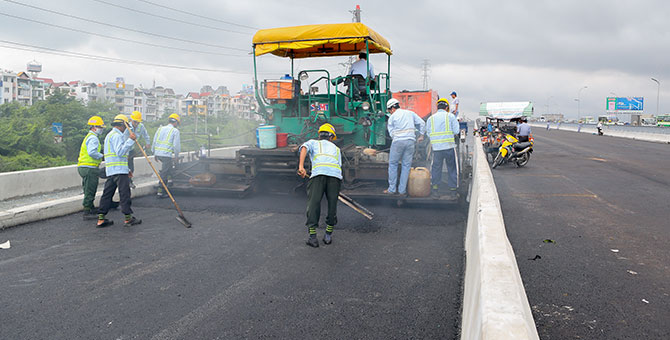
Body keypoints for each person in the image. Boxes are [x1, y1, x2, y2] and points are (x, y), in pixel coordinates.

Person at [297, 123, 341, 248]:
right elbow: (339, 166)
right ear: (331, 137)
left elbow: (304, 147)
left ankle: (312, 237)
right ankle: (328, 235)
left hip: (318, 175)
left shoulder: (313, 142)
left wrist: (301, 166)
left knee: (314, 203)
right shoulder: (336, 149)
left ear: (319, 135)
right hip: (335, 177)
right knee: (332, 205)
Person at [97, 114, 141, 228]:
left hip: (112, 170)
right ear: (122, 125)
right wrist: (130, 141)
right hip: (119, 171)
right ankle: (128, 218)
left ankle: (101, 218)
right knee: (124, 193)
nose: (126, 129)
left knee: (107, 194)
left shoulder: (109, 135)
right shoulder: (117, 136)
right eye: (125, 126)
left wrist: (127, 169)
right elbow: (120, 152)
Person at [385, 98, 426, 196]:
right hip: (410, 142)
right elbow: (422, 123)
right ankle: (402, 191)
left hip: (398, 142)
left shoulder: (392, 117)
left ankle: (391, 189)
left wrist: (395, 137)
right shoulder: (410, 113)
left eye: (389, 111)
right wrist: (421, 135)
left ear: (392, 109)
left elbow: (391, 132)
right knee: (406, 166)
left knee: (393, 164)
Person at [425, 98, 460, 198]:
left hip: (436, 149)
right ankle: (453, 191)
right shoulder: (451, 116)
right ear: (447, 107)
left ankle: (435, 190)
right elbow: (456, 131)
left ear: (437, 107)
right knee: (452, 168)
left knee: (436, 168)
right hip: (449, 147)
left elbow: (428, 133)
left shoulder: (430, 118)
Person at [77, 115, 105, 220]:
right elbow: (92, 152)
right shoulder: (93, 138)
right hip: (90, 167)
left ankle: (91, 207)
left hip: (83, 167)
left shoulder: (88, 137)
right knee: (90, 189)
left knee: (87, 187)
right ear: (94, 127)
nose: (101, 129)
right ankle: (87, 211)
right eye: (100, 127)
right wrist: (102, 156)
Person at [152, 113, 181, 199]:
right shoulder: (175, 131)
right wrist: (176, 155)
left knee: (167, 168)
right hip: (166, 155)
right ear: (175, 123)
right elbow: (176, 145)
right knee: (164, 172)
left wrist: (154, 153)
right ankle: (160, 192)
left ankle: (170, 181)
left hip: (159, 154)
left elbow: (154, 141)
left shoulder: (160, 129)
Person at [125, 111, 151, 189]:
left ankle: (129, 181)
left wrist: (147, 143)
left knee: (131, 168)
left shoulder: (141, 126)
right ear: (131, 120)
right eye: (135, 122)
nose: (136, 124)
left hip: (131, 149)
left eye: (137, 122)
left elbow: (146, 135)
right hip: (124, 150)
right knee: (125, 168)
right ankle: (127, 182)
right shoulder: (127, 127)